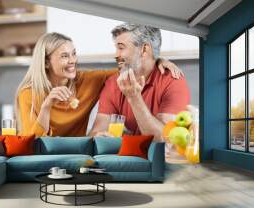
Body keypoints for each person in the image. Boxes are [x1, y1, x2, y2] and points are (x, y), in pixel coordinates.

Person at [15, 32, 184, 137]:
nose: (73, 61)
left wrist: (156, 59)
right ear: (46, 62)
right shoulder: (28, 94)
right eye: (64, 56)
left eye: (74, 54)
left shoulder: (86, 81)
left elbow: (129, 68)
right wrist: (46, 107)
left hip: (76, 155)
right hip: (43, 158)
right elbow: (31, 143)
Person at [89, 23, 191, 141]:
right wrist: (97, 137)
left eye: (121, 48)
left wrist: (134, 97)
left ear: (144, 49)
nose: (116, 55)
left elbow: (165, 140)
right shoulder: (114, 83)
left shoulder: (173, 81)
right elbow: (96, 131)